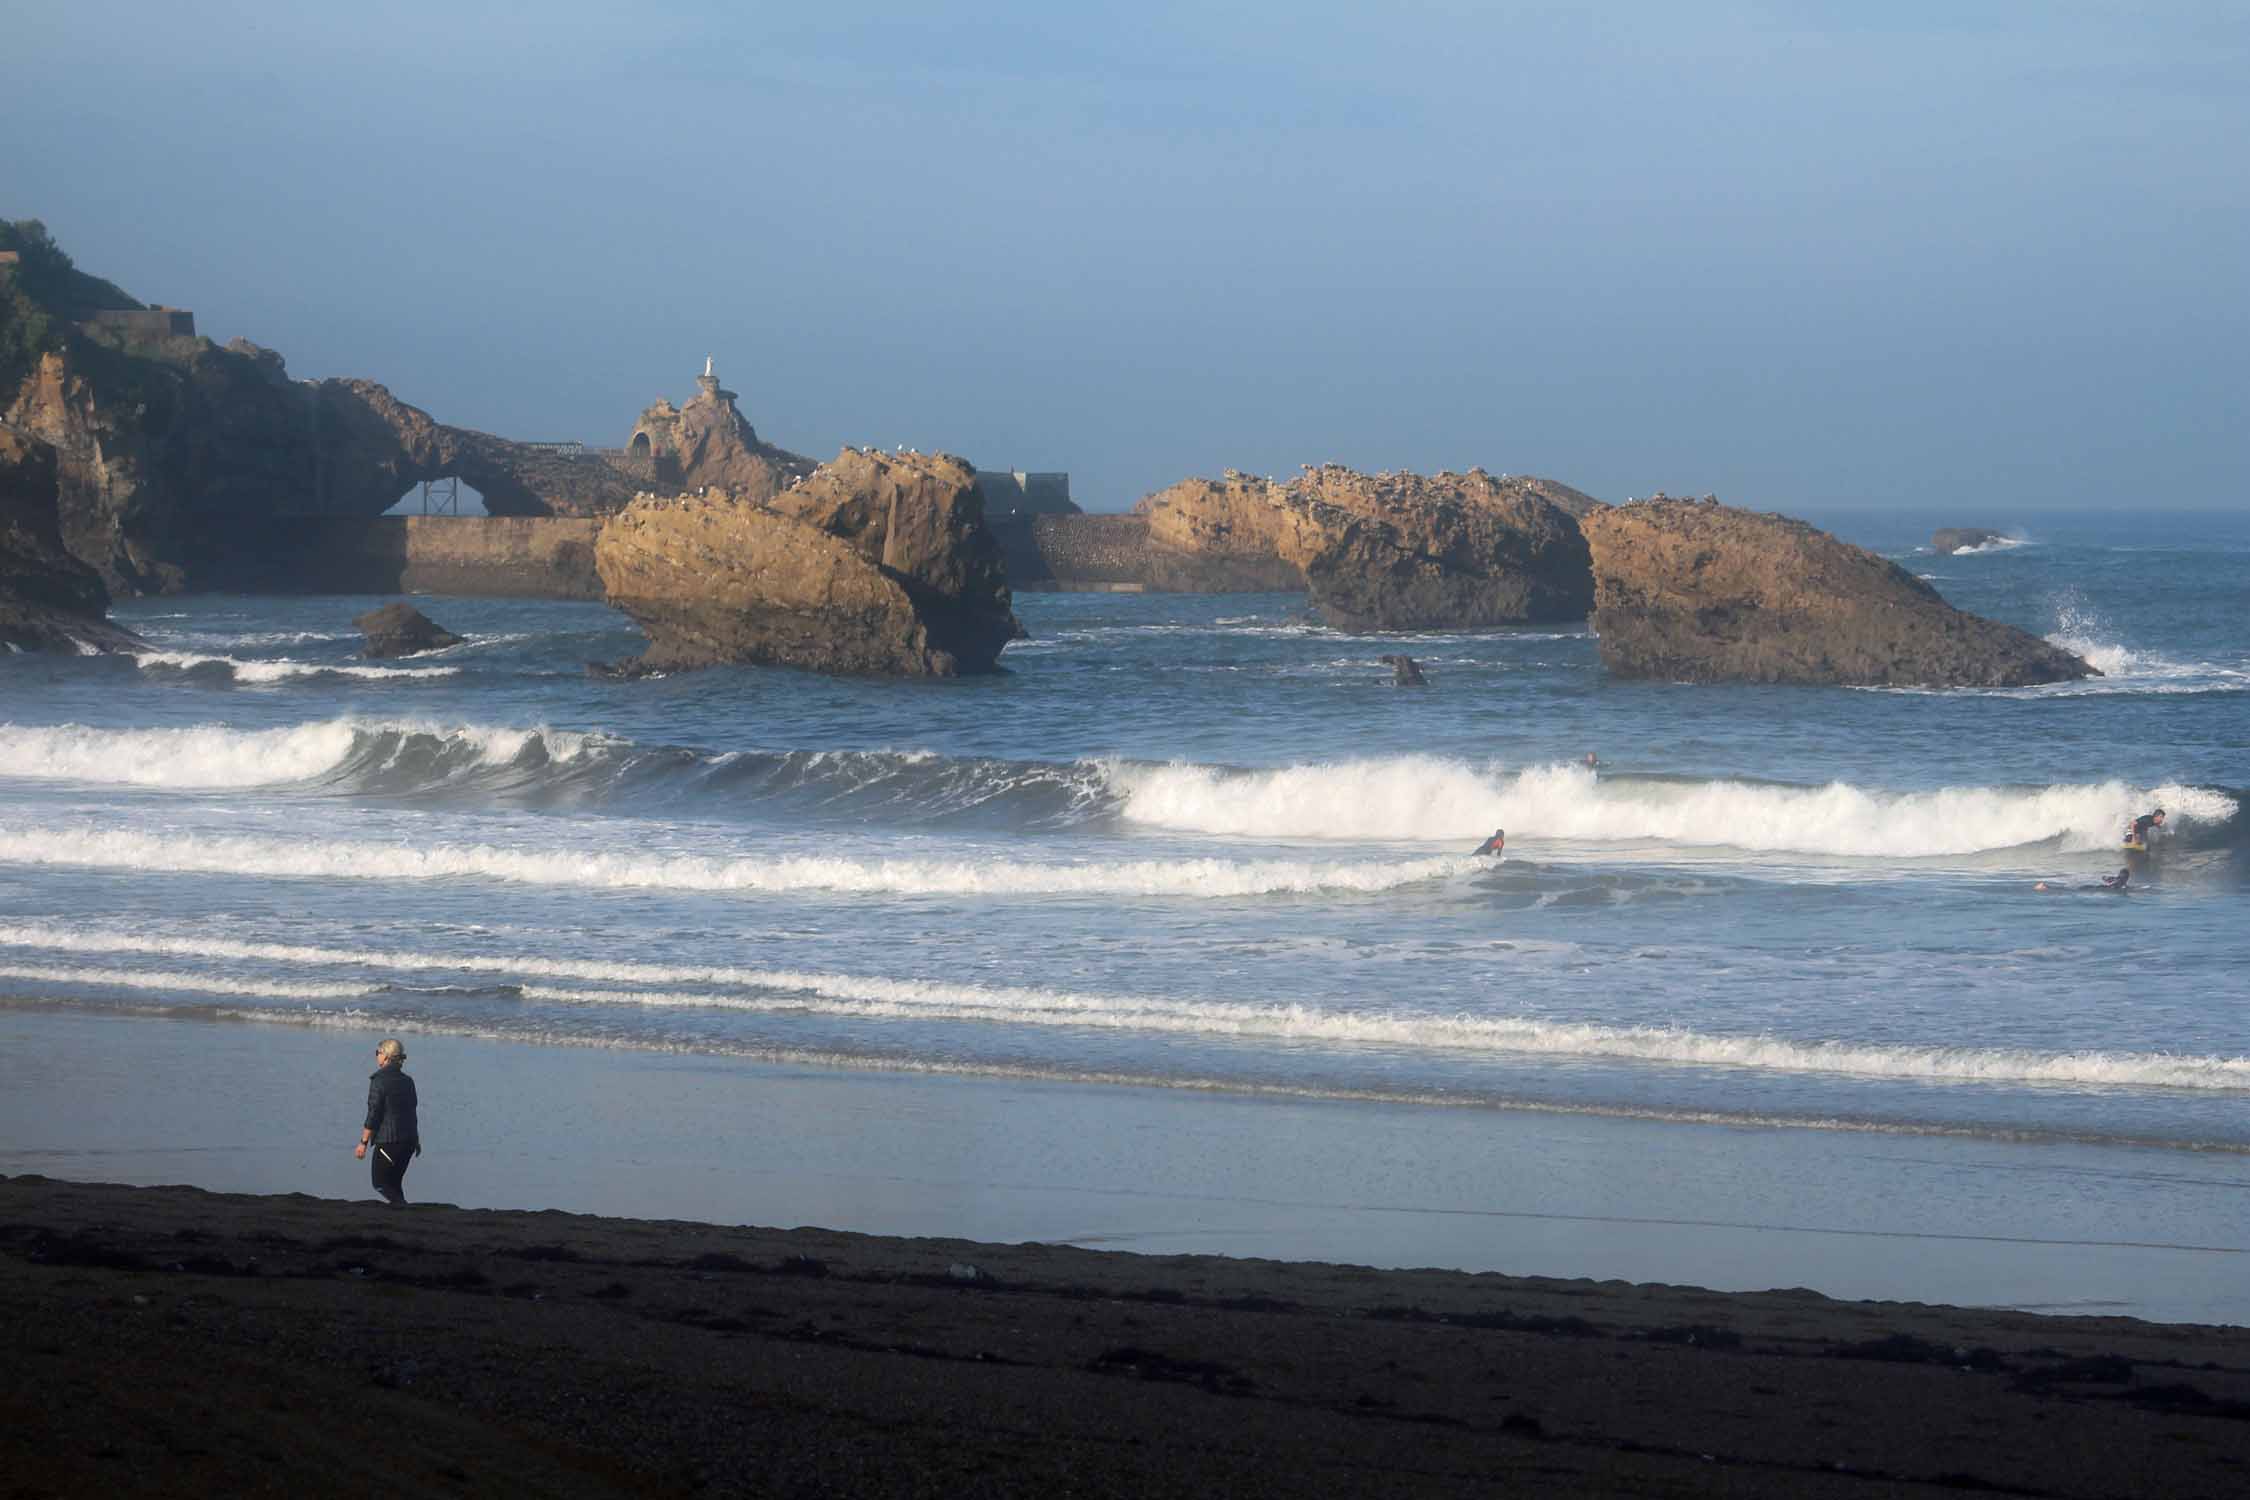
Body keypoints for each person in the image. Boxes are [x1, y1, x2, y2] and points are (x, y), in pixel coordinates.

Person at [355, 1038, 421, 1206]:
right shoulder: (408, 1081)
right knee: (394, 1184)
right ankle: (401, 1218)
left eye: (377, 1053)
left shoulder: (379, 1080)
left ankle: (404, 1208)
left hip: (389, 1141)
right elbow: (412, 1111)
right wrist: (417, 1140)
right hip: (409, 1141)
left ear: (385, 1056)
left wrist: (363, 1142)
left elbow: (373, 1113)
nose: (376, 1056)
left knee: (380, 1184)